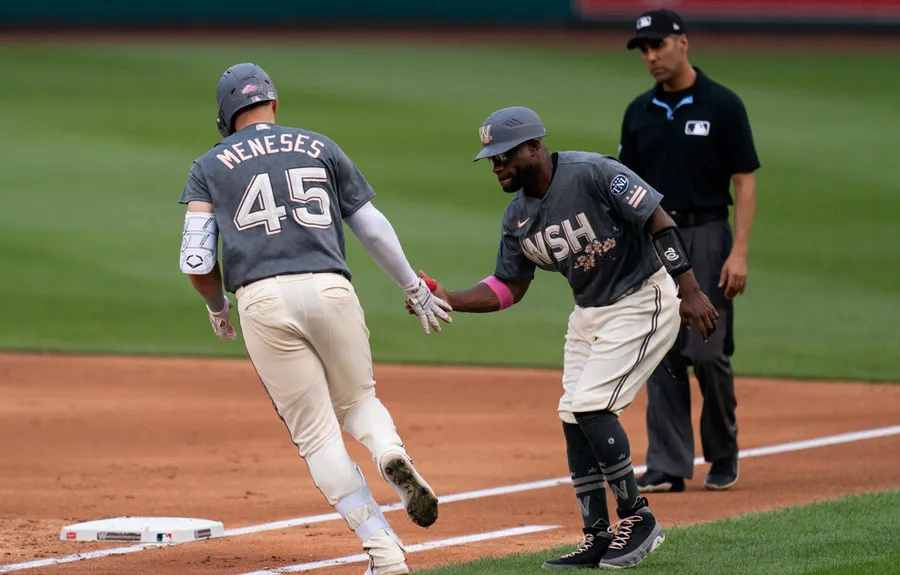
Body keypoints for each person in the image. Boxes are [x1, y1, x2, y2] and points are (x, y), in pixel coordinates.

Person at [177, 62, 452, 575]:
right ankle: (390, 452)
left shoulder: (208, 166)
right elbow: (371, 227)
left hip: (261, 301)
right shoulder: (319, 145)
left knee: (318, 437)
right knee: (359, 401)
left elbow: (195, 260)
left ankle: (383, 552)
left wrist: (217, 307)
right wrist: (413, 287)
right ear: (273, 104)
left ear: (225, 115)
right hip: (332, 287)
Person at [414, 106, 718, 569]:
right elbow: (508, 285)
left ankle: (638, 520)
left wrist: (689, 289)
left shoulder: (593, 172)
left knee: (593, 404)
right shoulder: (518, 216)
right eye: (492, 159)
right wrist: (449, 298)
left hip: (643, 298)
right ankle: (597, 534)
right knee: (573, 414)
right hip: (588, 314)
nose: (497, 166)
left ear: (535, 147)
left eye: (504, 156)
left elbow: (658, 218)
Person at [620, 9, 760, 493]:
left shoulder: (722, 105)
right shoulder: (639, 112)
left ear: (683, 42)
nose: (651, 57)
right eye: (643, 50)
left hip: (706, 235)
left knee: (709, 353)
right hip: (655, 242)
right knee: (660, 353)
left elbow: (744, 181)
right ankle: (668, 463)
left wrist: (737, 252)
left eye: (658, 45)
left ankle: (722, 454)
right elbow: (626, 187)